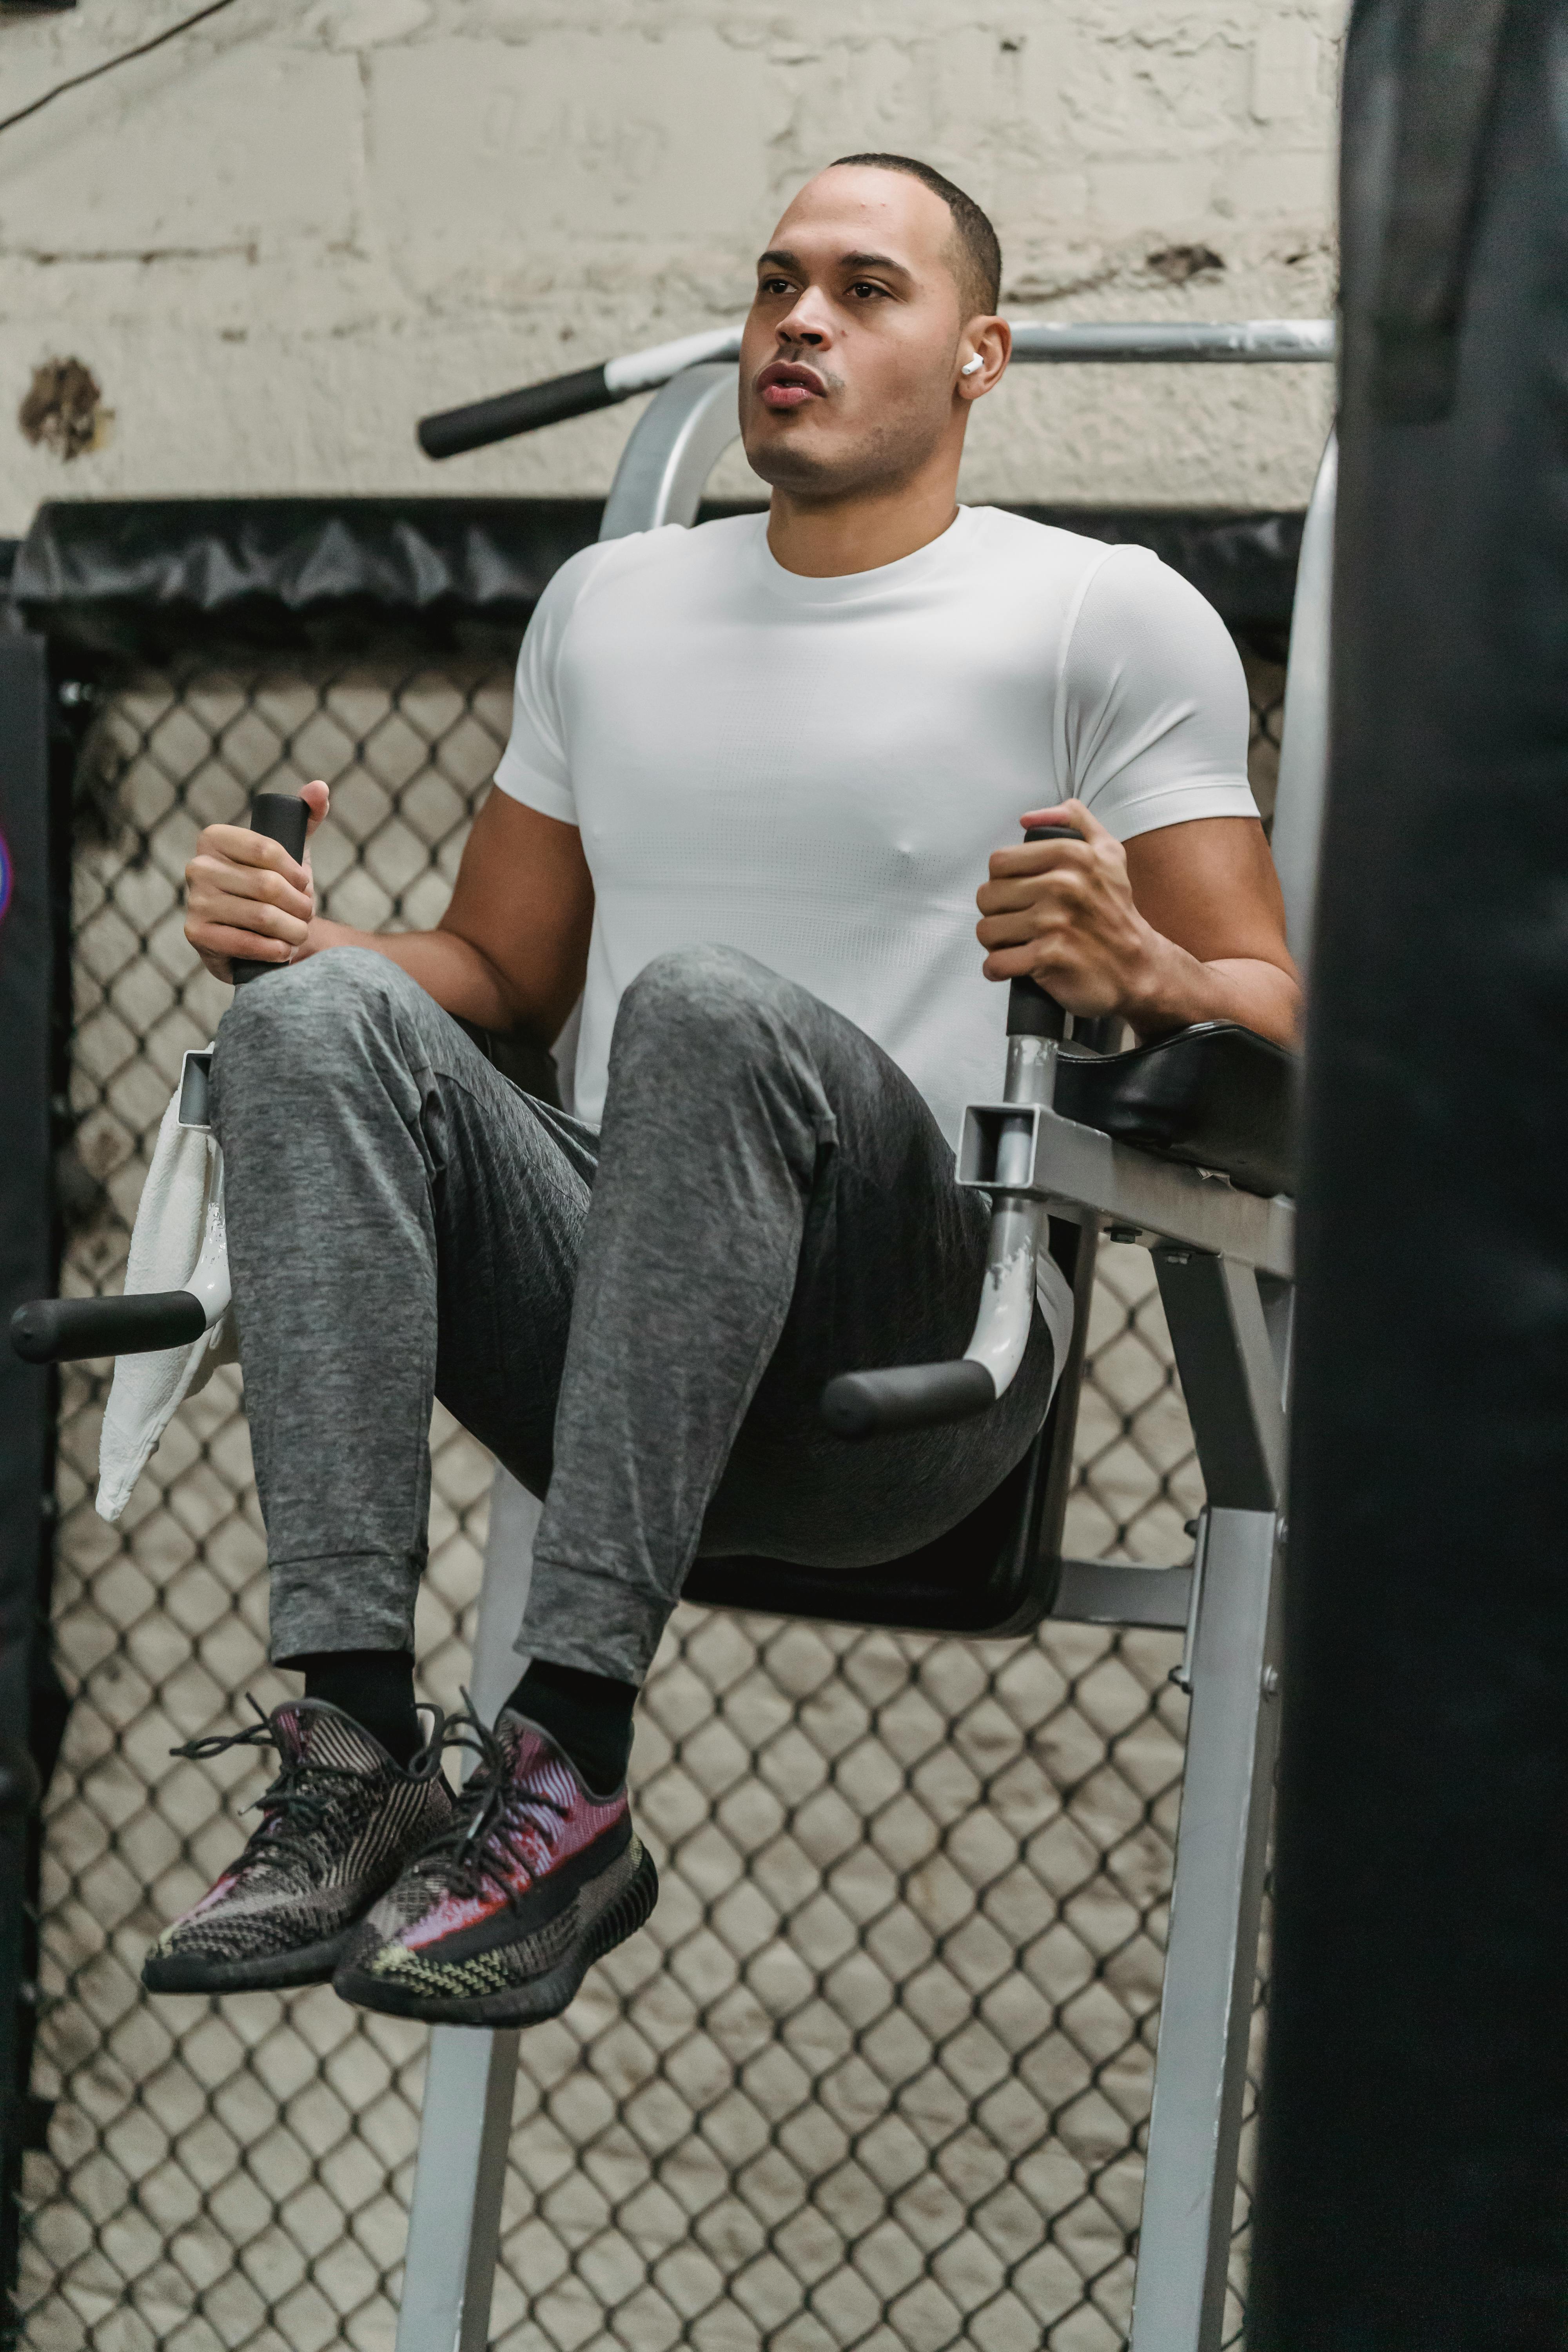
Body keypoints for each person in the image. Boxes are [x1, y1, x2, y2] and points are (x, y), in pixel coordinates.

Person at [147, 152, 1299, 2026]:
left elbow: (1280, 1015)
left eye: (865, 288)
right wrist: (303, 936)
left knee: (699, 1007)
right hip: (606, 1339)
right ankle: (358, 1746)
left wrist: (1148, 975)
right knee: (303, 1020)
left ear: (979, 352)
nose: (802, 323)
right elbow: (502, 983)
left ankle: (570, 1753)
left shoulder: (1100, 613)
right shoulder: (610, 608)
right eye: (775, 285)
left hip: (900, 1377)